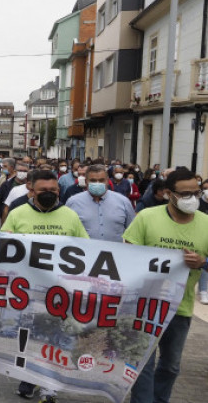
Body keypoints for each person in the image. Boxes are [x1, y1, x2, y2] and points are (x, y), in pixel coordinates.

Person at [2, 170, 89, 403]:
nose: (48, 194)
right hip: (27, 290)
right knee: (31, 337)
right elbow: (3, 249)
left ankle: (48, 388)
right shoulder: (18, 213)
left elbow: (87, 250)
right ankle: (28, 379)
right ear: (31, 190)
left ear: (59, 191)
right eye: (43, 190)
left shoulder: (70, 216)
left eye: (53, 190)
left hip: (60, 291)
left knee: (53, 337)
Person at [123, 168, 208, 403]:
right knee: (142, 364)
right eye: (185, 193)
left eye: (197, 192)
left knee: (171, 366)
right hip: (144, 305)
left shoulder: (206, 223)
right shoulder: (147, 218)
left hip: (180, 308)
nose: (192, 198)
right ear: (168, 194)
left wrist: (203, 262)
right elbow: (126, 254)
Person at [66, 164, 135, 242]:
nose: (97, 183)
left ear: (108, 181)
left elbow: (133, 234)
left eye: (101, 180)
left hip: (116, 253)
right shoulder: (73, 202)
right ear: (86, 181)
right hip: (84, 252)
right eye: (93, 181)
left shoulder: (123, 202)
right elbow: (66, 232)